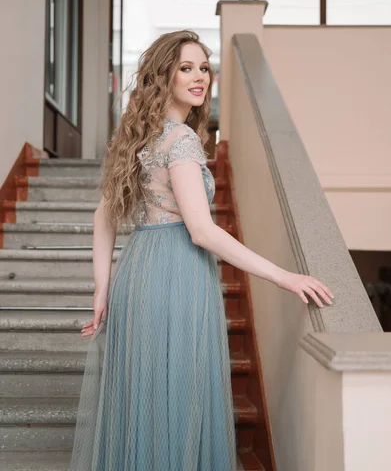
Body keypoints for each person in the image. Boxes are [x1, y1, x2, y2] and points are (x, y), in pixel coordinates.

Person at [69, 29, 334, 471]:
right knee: (176, 398)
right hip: (177, 276)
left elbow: (103, 217)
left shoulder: (137, 137)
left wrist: (102, 289)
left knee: (145, 399)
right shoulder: (182, 141)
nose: (199, 78)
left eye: (204, 69)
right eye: (185, 68)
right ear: (163, 77)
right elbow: (203, 232)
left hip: (137, 275)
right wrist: (285, 277)